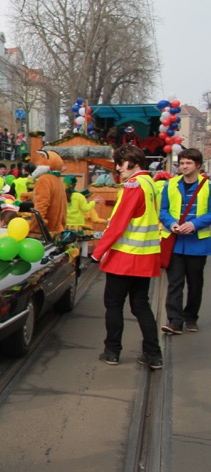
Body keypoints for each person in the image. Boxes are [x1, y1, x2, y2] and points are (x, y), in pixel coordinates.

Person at [90, 145, 162, 369]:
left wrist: (97, 253)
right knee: (141, 305)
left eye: (121, 163)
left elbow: (118, 224)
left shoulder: (133, 186)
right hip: (146, 256)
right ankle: (153, 354)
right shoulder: (150, 183)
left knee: (114, 305)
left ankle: (112, 351)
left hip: (125, 257)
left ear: (134, 163)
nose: (118, 168)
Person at [159, 148, 211, 335]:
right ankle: (175, 321)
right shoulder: (171, 184)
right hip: (175, 242)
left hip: (197, 243)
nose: (184, 166)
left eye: (188, 163)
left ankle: (191, 317)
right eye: (181, 163)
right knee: (175, 283)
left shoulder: (208, 186)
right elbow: (163, 210)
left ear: (198, 165)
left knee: (195, 284)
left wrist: (194, 224)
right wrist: (171, 224)